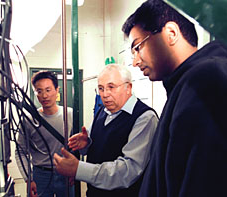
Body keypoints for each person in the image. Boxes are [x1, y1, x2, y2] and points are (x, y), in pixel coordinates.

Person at [122, 0, 227, 196]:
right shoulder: (184, 85)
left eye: (138, 47)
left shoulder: (205, 81)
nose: (135, 62)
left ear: (171, 33)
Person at [53, 64, 159, 196]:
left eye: (111, 87)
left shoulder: (145, 118)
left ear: (128, 87)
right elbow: (98, 148)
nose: (105, 94)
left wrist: (79, 169)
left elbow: (129, 171)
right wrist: (87, 144)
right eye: (101, 88)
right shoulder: (103, 112)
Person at [15, 71, 74, 197]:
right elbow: (20, 150)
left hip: (66, 173)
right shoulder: (28, 120)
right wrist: (28, 178)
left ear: (57, 90)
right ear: (35, 93)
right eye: (39, 91)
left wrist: (77, 171)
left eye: (48, 90)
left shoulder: (70, 114)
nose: (44, 95)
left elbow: (78, 147)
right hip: (40, 175)